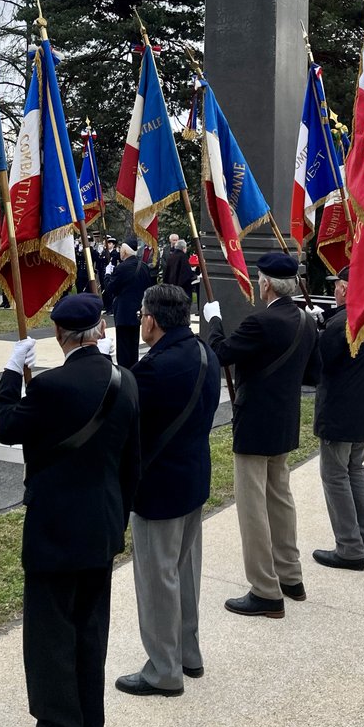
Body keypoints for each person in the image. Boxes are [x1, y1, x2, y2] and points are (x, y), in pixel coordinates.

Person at [0, 293, 140, 727]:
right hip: (102, 528)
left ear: (58, 334)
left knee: (51, 636)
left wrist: (9, 374)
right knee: (89, 635)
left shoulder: (51, 387)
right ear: (98, 330)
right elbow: (131, 464)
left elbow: (5, 426)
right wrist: (118, 515)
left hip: (56, 531)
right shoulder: (126, 381)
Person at [115, 283, 220, 697]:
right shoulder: (204, 353)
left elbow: (127, 429)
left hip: (160, 485)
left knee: (159, 579)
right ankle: (187, 652)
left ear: (151, 321)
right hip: (192, 477)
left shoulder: (155, 370)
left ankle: (163, 669)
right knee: (185, 572)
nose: (141, 320)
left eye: (142, 314)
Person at [204, 250, 320, 618]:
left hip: (256, 422)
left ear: (266, 283)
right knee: (280, 500)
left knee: (253, 506)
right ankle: (290, 575)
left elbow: (220, 353)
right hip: (284, 420)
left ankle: (266, 590)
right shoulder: (305, 320)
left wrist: (214, 322)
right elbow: (313, 376)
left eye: (259, 279)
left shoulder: (261, 322)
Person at [312, 265, 364, 570]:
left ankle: (349, 547)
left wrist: (318, 331)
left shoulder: (344, 322)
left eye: (339, 285)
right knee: (355, 472)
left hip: (341, 413)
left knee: (336, 476)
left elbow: (318, 363)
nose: (335, 290)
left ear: (346, 289)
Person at [106, 238, 155, 370]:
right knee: (133, 346)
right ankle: (133, 371)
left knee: (123, 349)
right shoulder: (144, 267)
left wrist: (107, 274)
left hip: (123, 312)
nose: (120, 252)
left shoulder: (121, 268)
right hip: (139, 311)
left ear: (125, 252)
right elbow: (149, 289)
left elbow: (110, 290)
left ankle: (124, 374)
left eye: (121, 249)